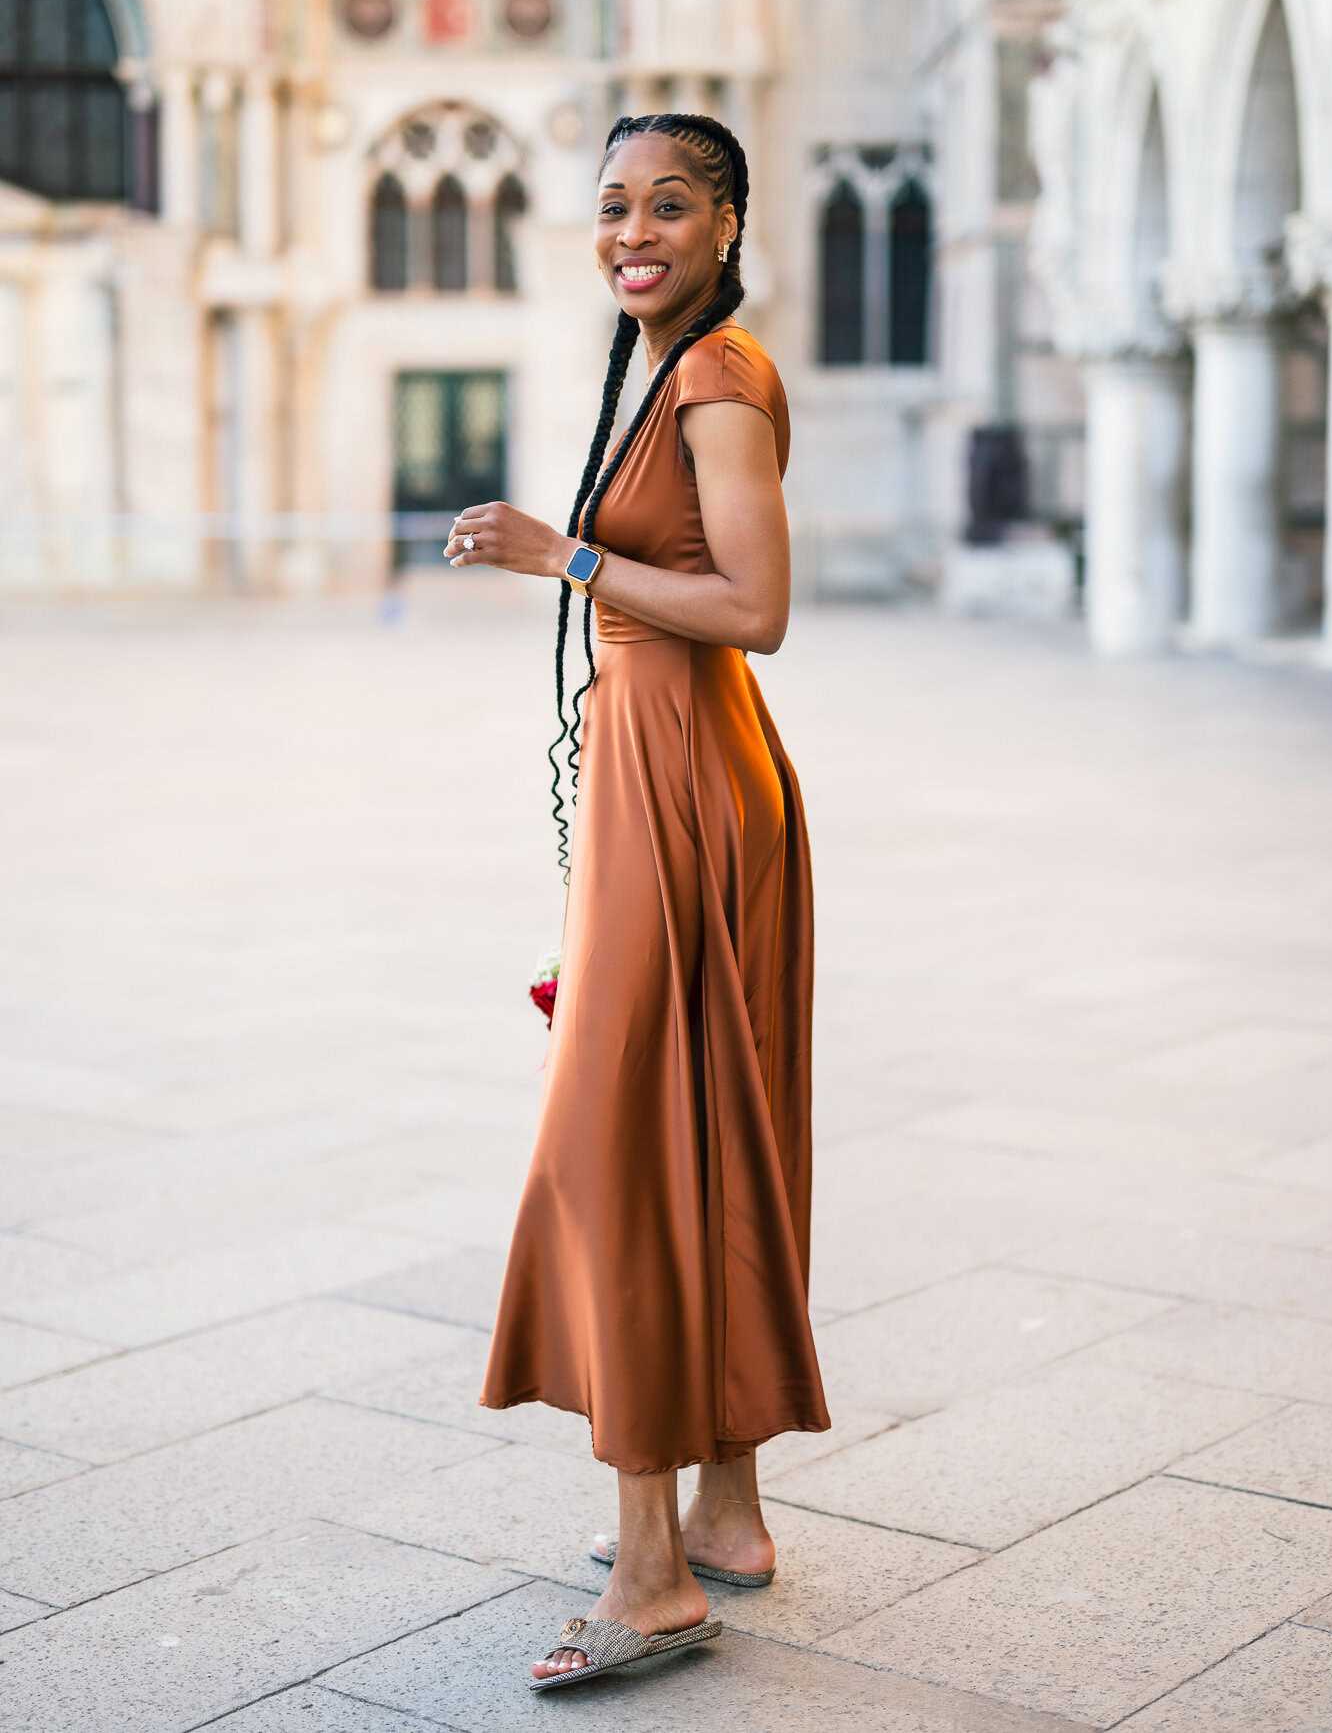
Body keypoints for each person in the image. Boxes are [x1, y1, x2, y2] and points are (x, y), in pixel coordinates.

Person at [444, 113, 830, 1692]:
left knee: (629, 1145)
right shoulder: (669, 371)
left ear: (730, 223)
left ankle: (658, 1580)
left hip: (689, 786)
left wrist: (564, 559)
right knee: (706, 1132)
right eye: (613, 206)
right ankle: (724, 1515)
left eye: (670, 204)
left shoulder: (721, 378)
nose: (635, 231)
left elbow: (758, 609)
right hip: (668, 781)